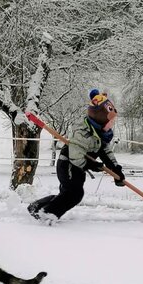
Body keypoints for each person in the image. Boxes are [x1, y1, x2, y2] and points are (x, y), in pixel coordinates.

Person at [27, 88, 125, 222]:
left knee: (67, 194)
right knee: (75, 194)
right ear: (100, 119)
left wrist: (115, 168)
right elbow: (76, 157)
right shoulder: (83, 133)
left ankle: (37, 207)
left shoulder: (99, 133)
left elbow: (105, 151)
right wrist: (93, 165)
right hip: (69, 163)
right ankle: (47, 214)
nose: (111, 125)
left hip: (78, 167)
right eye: (110, 122)